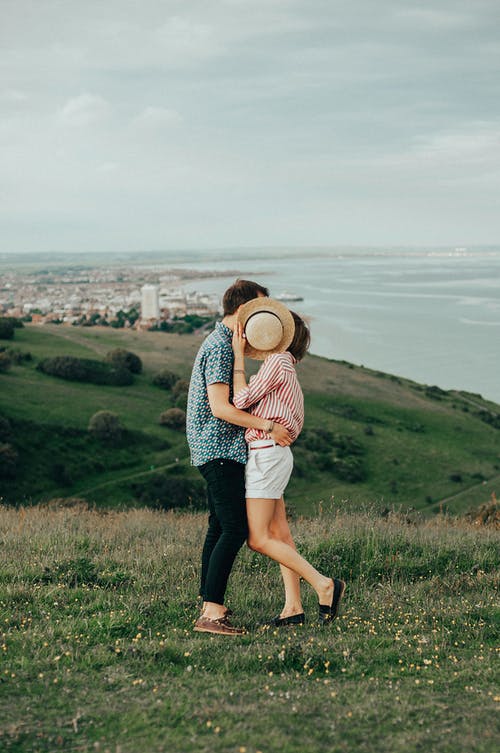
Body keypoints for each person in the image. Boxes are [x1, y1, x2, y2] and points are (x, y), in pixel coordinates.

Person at [186, 280, 293, 636]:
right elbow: (220, 408)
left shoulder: (223, 344)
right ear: (244, 311)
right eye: (261, 310)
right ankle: (212, 613)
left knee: (218, 526)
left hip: (215, 449)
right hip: (219, 448)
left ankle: (209, 603)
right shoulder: (220, 347)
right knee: (234, 528)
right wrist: (268, 426)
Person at [231, 298, 345, 626]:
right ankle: (293, 607)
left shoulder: (278, 362)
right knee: (280, 534)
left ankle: (325, 585)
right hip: (272, 453)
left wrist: (239, 356)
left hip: (266, 453)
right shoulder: (284, 367)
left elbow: (239, 401)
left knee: (258, 539)